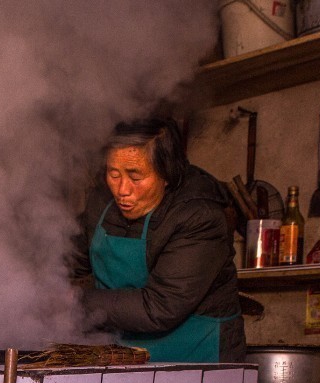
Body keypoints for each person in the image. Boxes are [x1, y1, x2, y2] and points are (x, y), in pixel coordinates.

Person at [70, 117, 245, 363]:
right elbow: (68, 258)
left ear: (166, 174)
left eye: (136, 177)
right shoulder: (101, 202)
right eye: (113, 174)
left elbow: (160, 307)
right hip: (126, 355)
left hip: (196, 355)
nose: (122, 190)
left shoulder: (199, 215)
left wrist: (72, 301)